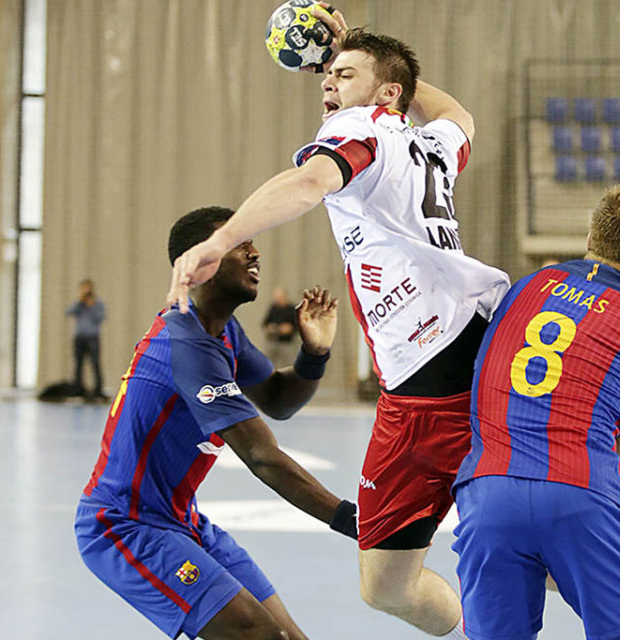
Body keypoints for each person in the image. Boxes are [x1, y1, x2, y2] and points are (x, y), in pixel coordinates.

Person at [166, 10, 510, 640]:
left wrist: (222, 239)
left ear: (386, 94)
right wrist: (362, 59)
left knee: (509, 548)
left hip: (431, 374)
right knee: (388, 583)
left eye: (344, 73)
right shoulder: (429, 146)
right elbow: (459, 115)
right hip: (463, 353)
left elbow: (308, 182)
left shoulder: (361, 129)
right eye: (329, 73)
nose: (327, 79)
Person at [452, 186, 620, 640]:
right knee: (578, 548)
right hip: (577, 492)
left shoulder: (522, 288)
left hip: (485, 495)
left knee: (543, 553)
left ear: (591, 239)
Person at [76, 206, 357, 640]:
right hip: (125, 526)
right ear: (197, 262)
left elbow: (278, 400)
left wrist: (314, 353)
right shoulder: (186, 344)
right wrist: (356, 521)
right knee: (260, 635)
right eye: (239, 244)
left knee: (289, 637)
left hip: (182, 519)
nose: (255, 253)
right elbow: (262, 457)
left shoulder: (224, 333)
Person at [66, 278, 107, 399]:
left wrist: (91, 305)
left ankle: (98, 389)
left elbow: (100, 318)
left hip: (92, 337)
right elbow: (68, 312)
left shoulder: (98, 303)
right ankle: (77, 388)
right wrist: (80, 301)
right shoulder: (79, 304)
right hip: (80, 337)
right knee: (78, 364)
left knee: (95, 363)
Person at [263, 286, 299, 365]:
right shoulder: (273, 308)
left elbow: (297, 326)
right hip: (273, 341)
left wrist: (289, 329)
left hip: (287, 343)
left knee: (288, 364)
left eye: (279, 297)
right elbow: (265, 323)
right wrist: (270, 328)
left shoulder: (292, 309)